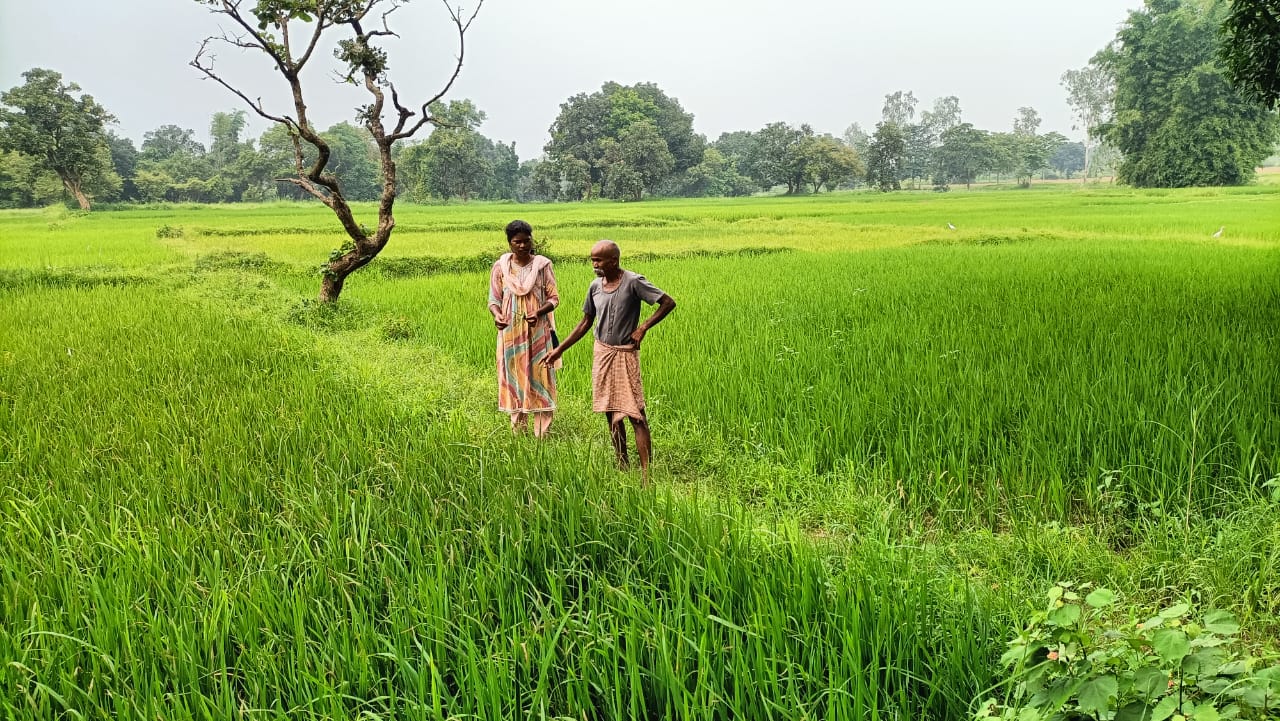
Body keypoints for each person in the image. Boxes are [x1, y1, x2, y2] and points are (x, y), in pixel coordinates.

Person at [543, 239, 676, 479]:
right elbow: (585, 322)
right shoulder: (595, 286)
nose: (594, 264)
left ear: (613, 260)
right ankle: (622, 463)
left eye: (599, 260)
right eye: (592, 259)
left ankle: (647, 474)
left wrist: (643, 327)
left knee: (636, 414)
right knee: (610, 410)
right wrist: (559, 349)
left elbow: (668, 303)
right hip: (602, 353)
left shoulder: (634, 282)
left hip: (624, 354)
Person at [489, 219, 559, 437]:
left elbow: (554, 298)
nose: (522, 245)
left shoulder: (542, 265)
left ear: (531, 240)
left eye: (526, 241)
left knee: (541, 375)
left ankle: (542, 433)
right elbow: (494, 299)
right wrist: (497, 315)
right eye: (517, 242)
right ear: (509, 243)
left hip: (538, 331)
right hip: (511, 332)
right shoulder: (501, 267)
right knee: (514, 375)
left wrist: (538, 312)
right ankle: (518, 431)